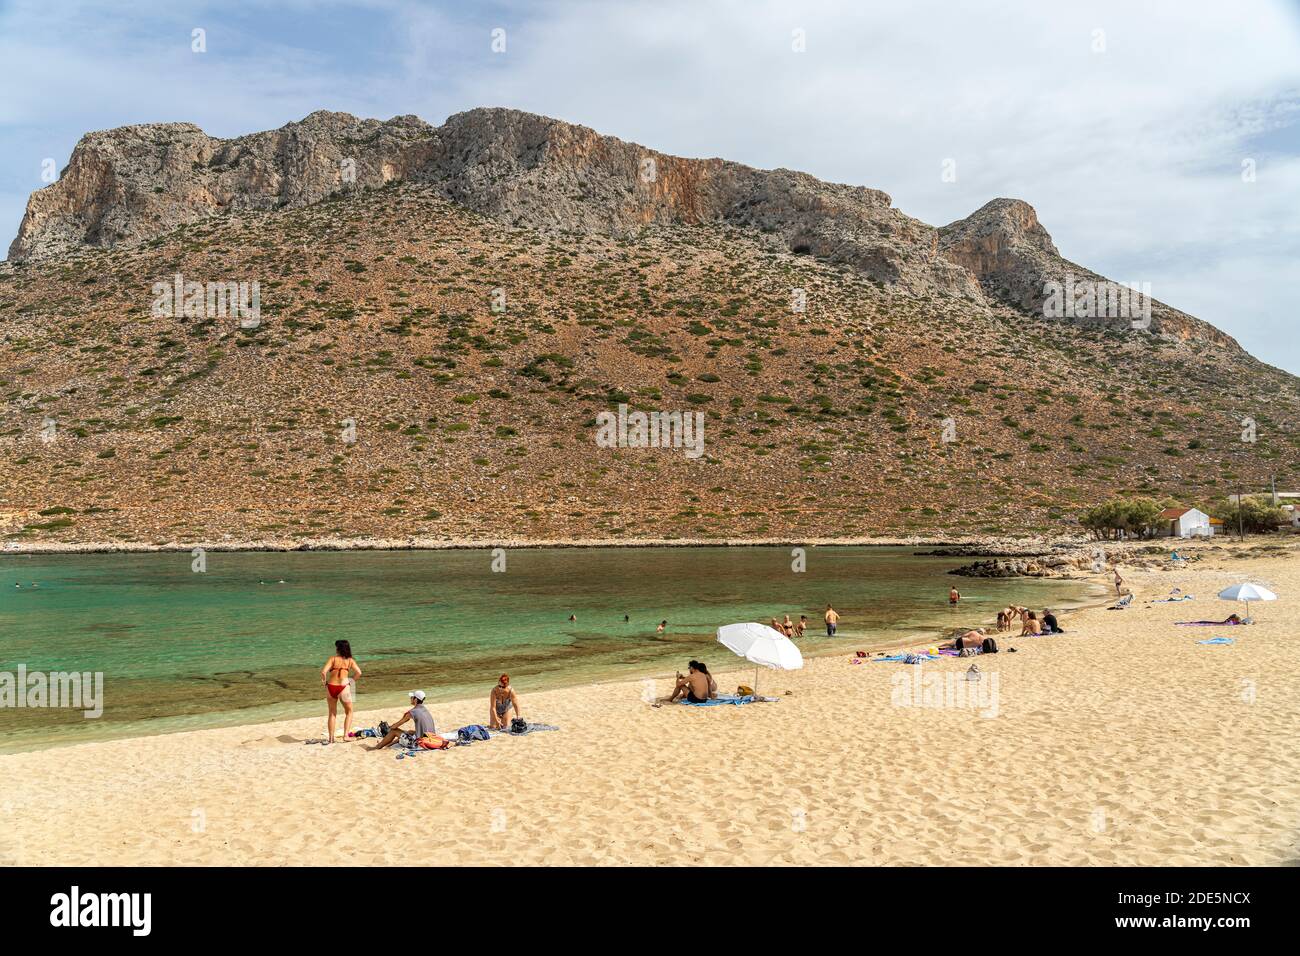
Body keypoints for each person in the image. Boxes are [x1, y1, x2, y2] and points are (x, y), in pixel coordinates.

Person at [320, 640, 361, 743]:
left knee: (332, 713)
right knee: (349, 712)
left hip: (331, 687)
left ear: (338, 649)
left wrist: (325, 683)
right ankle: (346, 736)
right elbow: (359, 673)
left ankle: (331, 738)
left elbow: (323, 672)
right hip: (344, 687)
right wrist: (351, 682)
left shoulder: (333, 659)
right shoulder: (350, 660)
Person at [370, 690, 437, 750]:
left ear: (415, 699)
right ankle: (388, 745)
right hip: (431, 739)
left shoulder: (412, 712)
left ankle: (378, 747)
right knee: (409, 732)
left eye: (412, 697)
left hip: (421, 743)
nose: (410, 699)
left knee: (394, 731)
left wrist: (389, 728)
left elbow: (396, 725)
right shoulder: (424, 709)